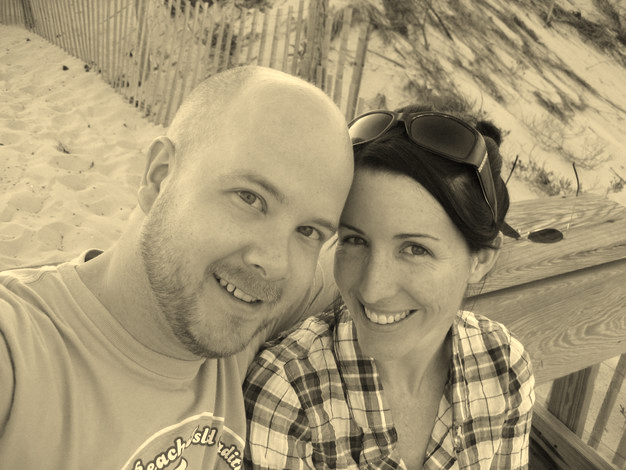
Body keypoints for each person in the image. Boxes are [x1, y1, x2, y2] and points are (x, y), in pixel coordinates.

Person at [0, 65, 354, 468]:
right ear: (160, 177)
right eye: (249, 198)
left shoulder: (249, 317)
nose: (275, 263)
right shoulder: (18, 350)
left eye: (308, 231)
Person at [244, 103, 535, 469]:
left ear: (481, 259)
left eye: (415, 249)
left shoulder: (503, 364)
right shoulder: (290, 394)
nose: (372, 290)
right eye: (355, 240)